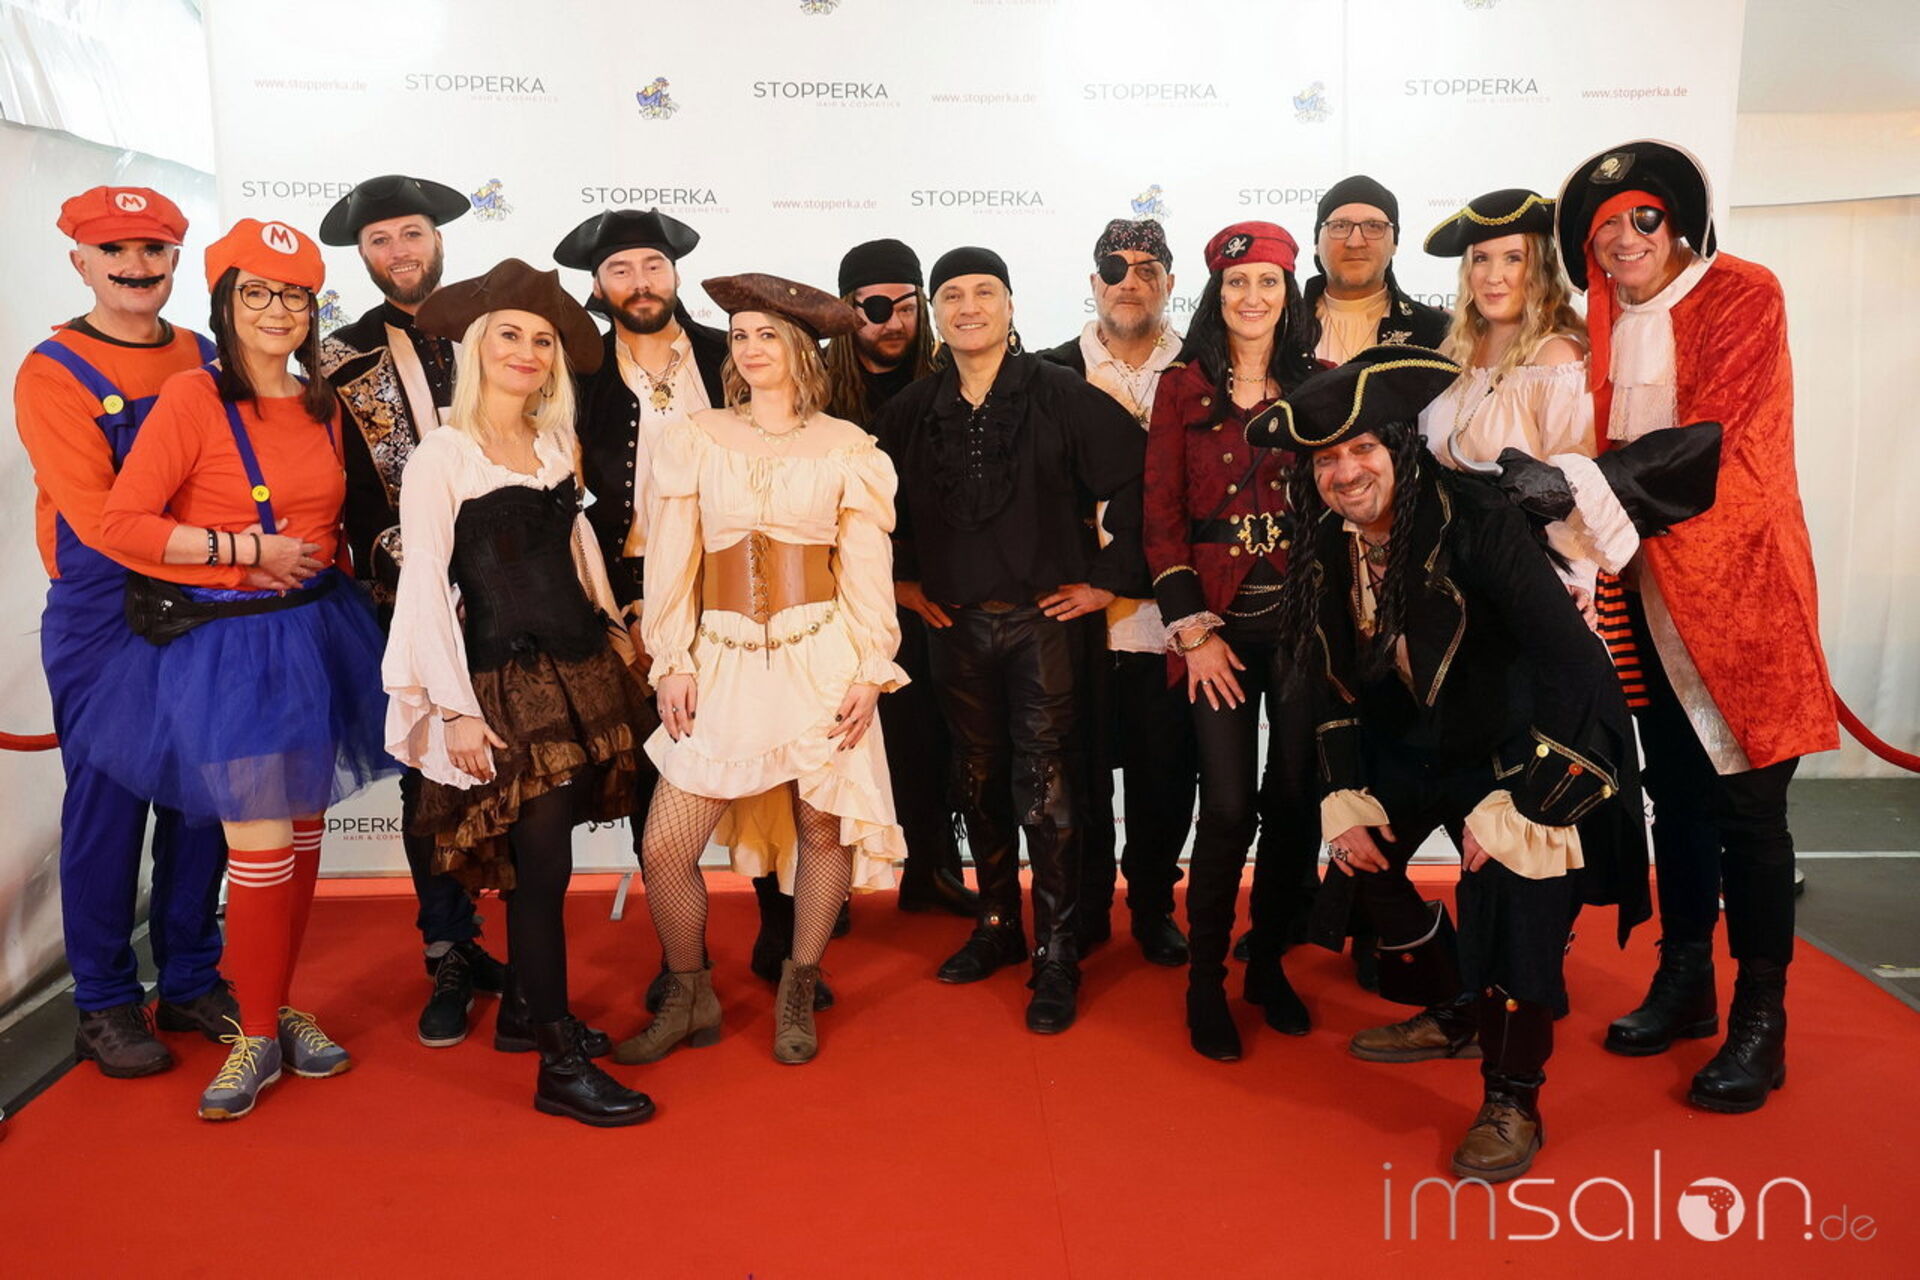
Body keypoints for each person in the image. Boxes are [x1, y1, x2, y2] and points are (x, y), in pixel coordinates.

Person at [1256, 345, 1649, 1180]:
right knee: (1361, 849)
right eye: (1325, 460)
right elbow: (1328, 673)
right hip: (1424, 739)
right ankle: (1458, 1007)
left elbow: (1571, 664)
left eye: (1362, 449)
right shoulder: (1326, 538)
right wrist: (1345, 789)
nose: (1344, 473)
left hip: (1529, 736)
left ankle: (1513, 1097)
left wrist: (1522, 803)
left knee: (1515, 888)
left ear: (1399, 447)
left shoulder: (1475, 518)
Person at [80, 218, 395, 1120]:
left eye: (294, 295)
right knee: (258, 847)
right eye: (256, 292)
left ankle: (274, 1003)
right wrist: (242, 548)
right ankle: (255, 1034)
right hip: (230, 651)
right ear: (224, 301)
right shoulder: (191, 398)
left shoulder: (323, 401)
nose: (277, 310)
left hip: (316, 637)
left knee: (301, 842)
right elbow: (121, 524)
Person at [1553, 139, 1837, 1113]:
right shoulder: (1602, 327)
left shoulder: (1744, 293)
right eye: (1604, 228)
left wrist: (1580, 482)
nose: (1624, 239)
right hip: (1646, 597)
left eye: (1642, 218)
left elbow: (1709, 439)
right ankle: (1686, 980)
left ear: (1676, 222)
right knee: (1673, 796)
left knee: (1751, 810)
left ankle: (1762, 1015)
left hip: (1742, 592)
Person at [383, 258, 655, 1127]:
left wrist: (616, 630)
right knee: (541, 872)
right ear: (477, 346)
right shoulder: (442, 454)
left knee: (551, 860)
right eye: (511, 334)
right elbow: (426, 582)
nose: (527, 351)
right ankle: (557, 1064)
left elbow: (576, 548)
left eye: (542, 340)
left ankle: (527, 1015)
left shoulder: (551, 446)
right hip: (502, 682)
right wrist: (452, 708)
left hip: (578, 668)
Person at [613, 273, 905, 1066]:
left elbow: (865, 570)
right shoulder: (698, 436)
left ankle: (798, 986)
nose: (749, 348)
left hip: (822, 659)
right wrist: (672, 659)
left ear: (801, 347)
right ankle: (690, 992)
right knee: (665, 847)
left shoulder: (847, 446)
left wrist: (869, 670)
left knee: (822, 831)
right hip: (723, 662)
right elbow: (671, 561)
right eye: (739, 335)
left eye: (767, 334)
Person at [874, 247, 1147, 1035]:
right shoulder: (910, 411)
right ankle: (997, 924)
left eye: (984, 291)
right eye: (952, 295)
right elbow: (864, 509)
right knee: (977, 778)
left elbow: (1141, 479)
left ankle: (1057, 950)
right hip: (953, 629)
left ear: (1011, 305)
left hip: (1043, 628)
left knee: (1048, 786)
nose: (968, 306)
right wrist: (900, 581)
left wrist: (1108, 581)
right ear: (935, 313)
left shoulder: (1060, 394)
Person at [561, 209, 828, 1005]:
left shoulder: (730, 353)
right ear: (599, 285)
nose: (639, 282)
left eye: (652, 265)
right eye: (620, 270)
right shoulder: (574, 374)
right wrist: (623, 610)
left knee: (778, 765)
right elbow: (567, 501)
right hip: (627, 598)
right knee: (663, 777)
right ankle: (681, 964)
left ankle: (783, 935)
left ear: (674, 274)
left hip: (752, 593)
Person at [13, 186, 234, 1078]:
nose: (136, 266)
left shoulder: (206, 354)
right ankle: (103, 1002)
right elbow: (103, 517)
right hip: (106, 612)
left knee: (202, 802)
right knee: (107, 811)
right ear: (80, 261)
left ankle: (188, 979)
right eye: (115, 251)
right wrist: (232, 552)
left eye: (153, 249)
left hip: (207, 604)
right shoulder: (52, 370)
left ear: (177, 259)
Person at [317, 173, 509, 1048]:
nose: (400, 251)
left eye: (412, 234)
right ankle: (448, 948)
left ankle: (526, 942)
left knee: (521, 759)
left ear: (439, 240)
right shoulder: (338, 357)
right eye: (381, 240)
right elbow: (335, 490)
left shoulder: (499, 331)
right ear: (363, 255)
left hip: (515, 585)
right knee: (428, 773)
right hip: (402, 597)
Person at [1143, 221, 1321, 1059]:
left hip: (1305, 625)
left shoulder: (1321, 383)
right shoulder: (1180, 387)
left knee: (1294, 799)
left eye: (1269, 282)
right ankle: (1205, 980)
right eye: (1238, 283)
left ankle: (1268, 964)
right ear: (1216, 295)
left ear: (1289, 294)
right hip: (1215, 626)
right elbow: (1161, 519)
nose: (1253, 297)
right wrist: (1193, 635)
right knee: (1225, 807)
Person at [1041, 217, 1193, 967]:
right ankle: (1087, 907)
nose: (1129, 282)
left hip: (1173, 619)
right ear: (1092, 282)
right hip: (1072, 620)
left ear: (1170, 284)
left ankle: (1155, 906)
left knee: (1167, 777)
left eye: (1147, 269)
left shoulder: (1204, 368)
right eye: (1114, 268)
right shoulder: (1047, 372)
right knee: (1081, 778)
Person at [822, 238, 975, 919]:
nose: (893, 322)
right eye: (874, 307)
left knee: (930, 735)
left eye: (907, 306)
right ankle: (826, 886)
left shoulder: (955, 378)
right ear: (846, 309)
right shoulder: (816, 388)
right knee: (836, 737)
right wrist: (890, 587)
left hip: (935, 590)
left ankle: (933, 868)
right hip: (832, 595)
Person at [1418, 188, 1634, 611]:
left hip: (1528, 579)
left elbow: (1574, 486)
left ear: (1540, 268)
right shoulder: (1451, 353)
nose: (1493, 276)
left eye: (1513, 258)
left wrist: (1573, 585)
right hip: (1449, 577)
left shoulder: (1556, 357)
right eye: (1481, 258)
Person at [1303, 175, 1448, 367]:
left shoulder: (1437, 331)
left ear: (1394, 244)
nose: (1355, 242)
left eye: (1373, 226)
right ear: (1316, 244)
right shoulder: (1280, 328)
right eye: (1340, 226)